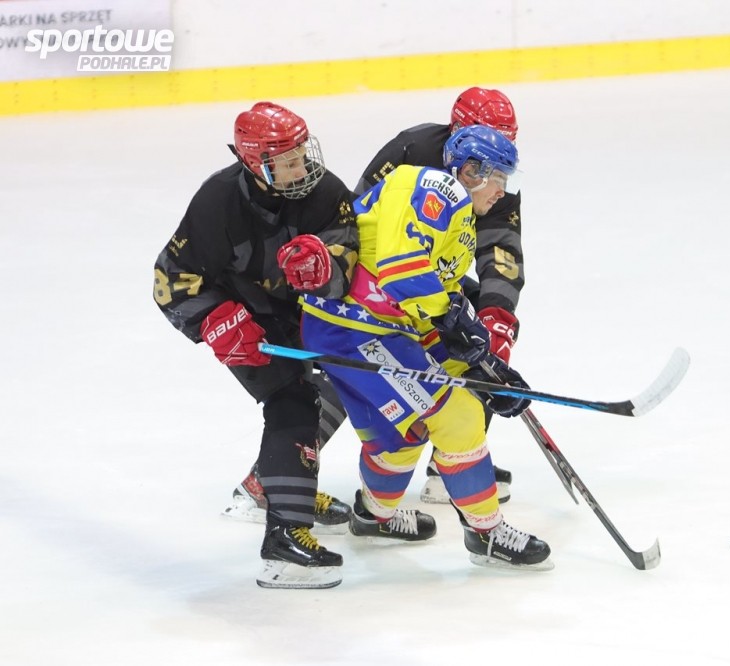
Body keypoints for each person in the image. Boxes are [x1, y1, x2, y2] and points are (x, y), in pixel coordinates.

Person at [297, 124, 552, 569]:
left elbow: (433, 301)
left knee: (401, 433)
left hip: (363, 327)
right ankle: (487, 533)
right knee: (458, 415)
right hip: (358, 328)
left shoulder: (460, 220)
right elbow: (402, 271)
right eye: (498, 177)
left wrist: (481, 364)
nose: (502, 190)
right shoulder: (438, 188)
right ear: (470, 171)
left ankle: (374, 516)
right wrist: (454, 320)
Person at [153, 101, 359, 589]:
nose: (300, 169)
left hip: (305, 312)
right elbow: (169, 281)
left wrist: (328, 268)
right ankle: (285, 543)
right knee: (292, 399)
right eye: (286, 162)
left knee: (348, 381)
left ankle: (270, 484)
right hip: (246, 320)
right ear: (253, 162)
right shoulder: (218, 201)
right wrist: (216, 321)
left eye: (301, 155)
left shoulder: (326, 190)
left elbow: (352, 251)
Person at [354, 87, 525, 505]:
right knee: (354, 361)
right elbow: (354, 218)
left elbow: (501, 251)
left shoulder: (494, 173)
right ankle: (278, 476)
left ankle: (449, 462)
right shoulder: (413, 150)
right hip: (375, 279)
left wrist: (496, 316)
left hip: (435, 279)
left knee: (481, 342)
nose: (495, 152)